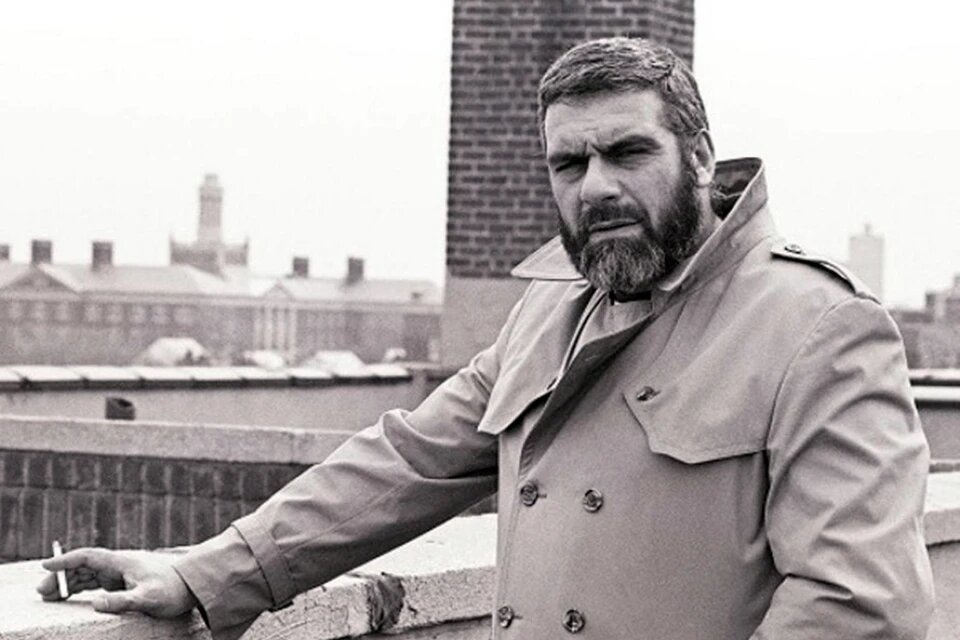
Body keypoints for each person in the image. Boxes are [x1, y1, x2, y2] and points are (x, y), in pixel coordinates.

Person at [38, 37, 934, 639]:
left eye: (628, 153)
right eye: (569, 163)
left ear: (699, 159)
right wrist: (207, 575)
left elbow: (859, 607)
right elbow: (405, 461)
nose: (596, 188)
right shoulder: (550, 310)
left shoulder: (819, 326)